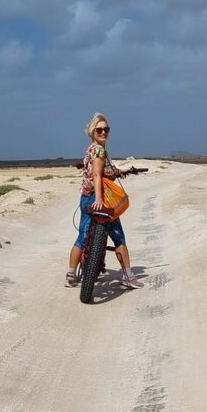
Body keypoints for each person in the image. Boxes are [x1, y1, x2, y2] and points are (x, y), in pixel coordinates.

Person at [67, 112, 143, 289]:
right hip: (98, 198)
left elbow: (99, 171)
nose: (103, 132)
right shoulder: (100, 151)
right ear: (92, 131)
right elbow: (97, 175)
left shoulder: (91, 149)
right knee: (118, 236)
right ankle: (128, 276)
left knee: (82, 237)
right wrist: (100, 198)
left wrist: (117, 172)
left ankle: (70, 275)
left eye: (106, 129)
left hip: (85, 198)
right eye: (99, 129)